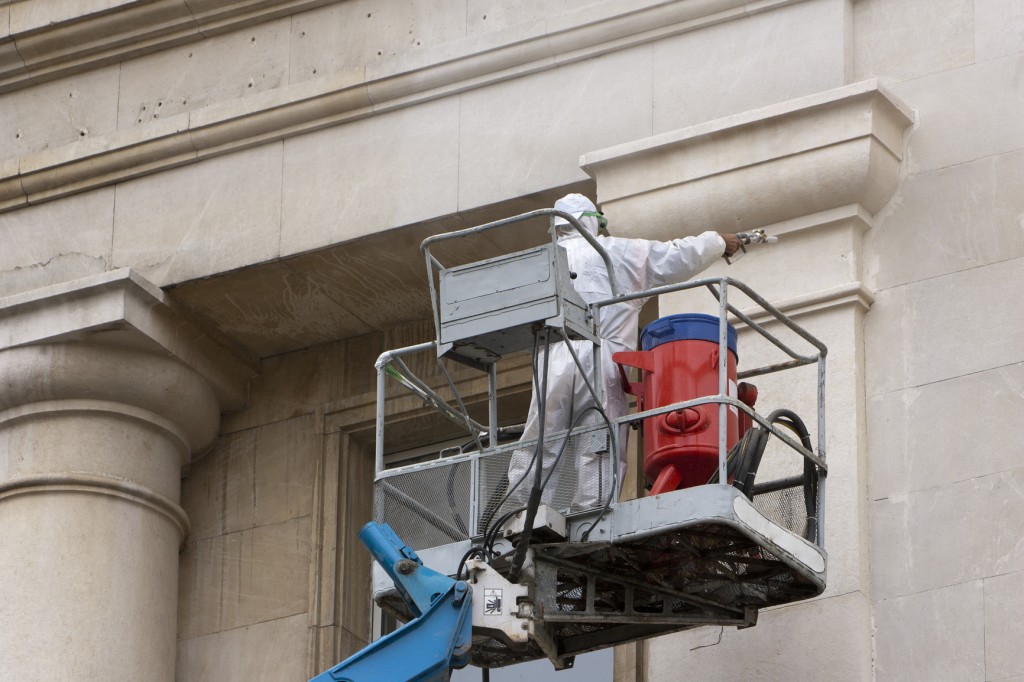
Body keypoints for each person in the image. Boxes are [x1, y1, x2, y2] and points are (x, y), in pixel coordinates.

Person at [505, 193, 740, 510]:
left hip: (553, 359)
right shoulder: (619, 251)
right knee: (598, 437)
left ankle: (523, 512)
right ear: (593, 220)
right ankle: (593, 509)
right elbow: (676, 256)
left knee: (541, 438)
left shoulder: (541, 261)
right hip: (603, 358)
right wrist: (718, 242)